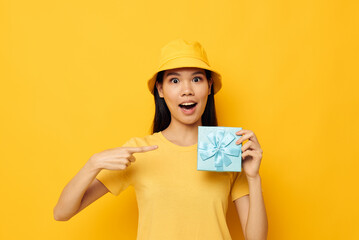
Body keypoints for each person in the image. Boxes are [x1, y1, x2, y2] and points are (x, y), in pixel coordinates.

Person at [53, 39, 268, 239]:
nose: (187, 90)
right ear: (160, 89)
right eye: (174, 80)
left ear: (209, 86)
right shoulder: (139, 152)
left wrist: (253, 177)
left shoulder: (227, 150)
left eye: (196, 79)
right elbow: (62, 212)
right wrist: (93, 163)